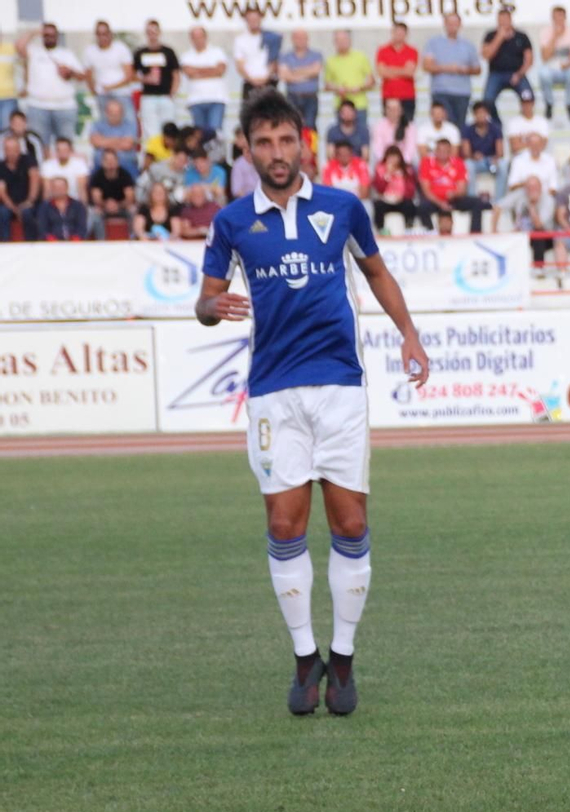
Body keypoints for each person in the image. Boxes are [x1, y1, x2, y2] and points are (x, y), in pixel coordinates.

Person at [195, 91, 426, 717]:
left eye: (285, 140)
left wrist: (408, 332)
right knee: (283, 526)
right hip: (274, 391)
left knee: (349, 523)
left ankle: (343, 658)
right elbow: (205, 300)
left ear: (303, 143)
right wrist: (211, 306)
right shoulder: (231, 222)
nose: (276, 152)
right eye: (263, 142)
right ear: (247, 149)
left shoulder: (342, 207)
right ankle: (305, 658)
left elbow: (376, 272)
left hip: (340, 386)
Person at [19, 24, 85, 152]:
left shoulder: (67, 54)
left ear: (57, 36)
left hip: (64, 107)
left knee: (66, 146)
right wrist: (33, 32)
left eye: (52, 35)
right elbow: (19, 47)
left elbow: (82, 76)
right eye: (46, 35)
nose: (49, 38)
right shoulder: (34, 51)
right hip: (38, 106)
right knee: (39, 146)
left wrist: (69, 72)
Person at [423, 13, 480, 130]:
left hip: (462, 93)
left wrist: (465, 70)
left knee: (460, 126)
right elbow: (427, 66)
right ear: (444, 24)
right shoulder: (434, 43)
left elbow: (477, 69)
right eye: (449, 23)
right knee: (444, 125)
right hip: (441, 91)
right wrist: (448, 68)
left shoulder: (468, 45)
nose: (452, 26)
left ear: (460, 25)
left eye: (455, 23)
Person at [418, 135, 486, 232]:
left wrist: (454, 194)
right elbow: (426, 191)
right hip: (435, 200)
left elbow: (462, 189)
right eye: (440, 150)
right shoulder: (426, 163)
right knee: (422, 207)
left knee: (477, 203)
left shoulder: (458, 163)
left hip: (453, 199)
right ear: (435, 151)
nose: (442, 153)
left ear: (450, 152)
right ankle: (430, 234)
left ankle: (474, 234)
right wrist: (440, 203)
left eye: (445, 151)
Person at [481, 6, 534, 122]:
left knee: (528, 97)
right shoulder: (490, 35)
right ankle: (497, 123)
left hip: (517, 74)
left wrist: (519, 74)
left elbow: (529, 60)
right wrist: (499, 37)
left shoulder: (522, 36)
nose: (503, 23)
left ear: (511, 20)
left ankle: (522, 122)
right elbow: (486, 55)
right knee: (487, 100)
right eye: (500, 20)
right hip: (496, 74)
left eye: (505, 20)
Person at [135, 21, 183, 141]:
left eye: (154, 32)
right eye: (149, 32)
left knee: (168, 129)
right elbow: (132, 75)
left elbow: (176, 74)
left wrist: (173, 92)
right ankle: (154, 151)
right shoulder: (140, 52)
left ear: (159, 32)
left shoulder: (168, 52)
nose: (152, 35)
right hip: (148, 96)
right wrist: (145, 79)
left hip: (165, 96)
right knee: (150, 131)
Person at [181, 27, 229, 135]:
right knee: (199, 135)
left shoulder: (217, 52)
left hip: (216, 99)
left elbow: (220, 71)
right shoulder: (186, 55)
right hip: (196, 100)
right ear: (191, 39)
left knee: (215, 133)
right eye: (195, 37)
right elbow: (189, 72)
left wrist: (197, 70)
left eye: (200, 36)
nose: (198, 40)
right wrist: (211, 70)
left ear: (206, 37)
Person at [83, 20, 136, 117]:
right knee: (105, 123)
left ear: (110, 34)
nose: (102, 37)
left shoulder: (121, 48)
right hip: (102, 95)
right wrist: (95, 91)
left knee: (128, 121)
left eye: (105, 34)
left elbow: (129, 75)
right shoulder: (90, 51)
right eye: (99, 34)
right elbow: (88, 75)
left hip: (122, 93)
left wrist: (110, 87)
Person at [539, 6, 570, 121]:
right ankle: (549, 103)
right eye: (556, 17)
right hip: (551, 69)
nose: (558, 20)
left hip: (567, 68)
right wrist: (555, 37)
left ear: (565, 18)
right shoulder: (545, 32)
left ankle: (569, 103)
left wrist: (566, 65)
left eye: (560, 17)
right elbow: (545, 57)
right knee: (543, 74)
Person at [375, 22, 419, 129]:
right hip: (389, 95)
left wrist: (390, 69)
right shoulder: (382, 50)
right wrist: (403, 70)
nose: (399, 35)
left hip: (407, 96)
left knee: (407, 127)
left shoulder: (412, 51)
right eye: (396, 32)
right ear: (392, 33)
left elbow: (410, 72)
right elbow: (382, 72)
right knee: (389, 128)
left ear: (406, 34)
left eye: (401, 32)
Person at [233, 5, 281, 102]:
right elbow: (240, 64)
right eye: (250, 19)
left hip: (269, 83)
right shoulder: (240, 40)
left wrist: (265, 79)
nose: (253, 22)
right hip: (250, 84)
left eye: (255, 19)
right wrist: (252, 80)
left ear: (260, 19)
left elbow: (274, 61)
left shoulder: (271, 38)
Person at [461, 99, 506, 199]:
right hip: (476, 162)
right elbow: (466, 152)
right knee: (468, 165)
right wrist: (474, 156)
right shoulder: (467, 129)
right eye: (478, 113)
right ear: (474, 115)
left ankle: (499, 200)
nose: (481, 115)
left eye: (483, 112)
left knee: (503, 165)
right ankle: (472, 199)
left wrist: (495, 158)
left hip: (491, 162)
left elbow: (500, 152)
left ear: (487, 114)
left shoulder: (495, 128)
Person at [0, 133, 38, 241]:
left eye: (14, 149)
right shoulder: (1, 167)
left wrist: (29, 201)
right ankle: (4, 243)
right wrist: (15, 209)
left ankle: (31, 243)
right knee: (3, 212)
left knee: (27, 212)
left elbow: (34, 181)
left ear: (19, 149)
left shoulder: (28, 161)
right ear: (4, 150)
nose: (12, 152)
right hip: (8, 204)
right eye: (8, 149)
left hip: (29, 202)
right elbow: (2, 192)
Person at [89, 98, 141, 178]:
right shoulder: (97, 125)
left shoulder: (130, 125)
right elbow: (95, 142)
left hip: (125, 162)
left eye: (117, 113)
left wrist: (104, 141)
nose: (114, 115)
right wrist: (119, 141)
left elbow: (127, 145)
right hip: (101, 164)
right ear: (106, 113)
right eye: (111, 112)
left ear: (122, 113)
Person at [372, 144, 418, 230]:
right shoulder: (380, 169)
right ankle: (380, 229)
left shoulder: (408, 170)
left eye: (395, 157)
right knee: (378, 206)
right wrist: (388, 174)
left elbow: (411, 190)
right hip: (385, 200)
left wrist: (402, 196)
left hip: (402, 199)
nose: (393, 160)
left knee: (409, 205)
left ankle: (408, 228)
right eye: (390, 157)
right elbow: (379, 189)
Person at [507, 126, 559, 197]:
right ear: (528, 145)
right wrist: (529, 185)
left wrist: (540, 196)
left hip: (544, 197)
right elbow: (512, 185)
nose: (535, 147)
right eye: (533, 144)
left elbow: (554, 188)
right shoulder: (518, 160)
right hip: (523, 196)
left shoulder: (550, 160)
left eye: (537, 144)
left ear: (542, 145)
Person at [35, 175, 91, 240]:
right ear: (51, 189)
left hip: (75, 242)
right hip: (51, 243)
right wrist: (51, 239)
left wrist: (75, 239)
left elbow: (82, 227)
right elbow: (42, 228)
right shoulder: (44, 207)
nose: (59, 190)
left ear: (67, 188)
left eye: (61, 187)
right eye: (55, 187)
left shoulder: (78, 206)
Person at [370, 97, 417, 169]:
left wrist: (399, 164)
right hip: (385, 165)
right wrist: (387, 163)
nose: (392, 112)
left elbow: (410, 150)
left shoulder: (409, 126)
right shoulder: (379, 125)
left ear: (401, 110)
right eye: (389, 109)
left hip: (404, 165)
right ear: (385, 110)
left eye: (395, 109)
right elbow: (378, 149)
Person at [412, 101, 459, 167]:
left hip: (447, 161)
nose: (438, 116)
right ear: (431, 114)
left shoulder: (453, 129)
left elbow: (454, 152)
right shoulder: (423, 129)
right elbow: (422, 153)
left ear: (444, 114)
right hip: (428, 161)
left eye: (439, 113)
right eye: (435, 113)